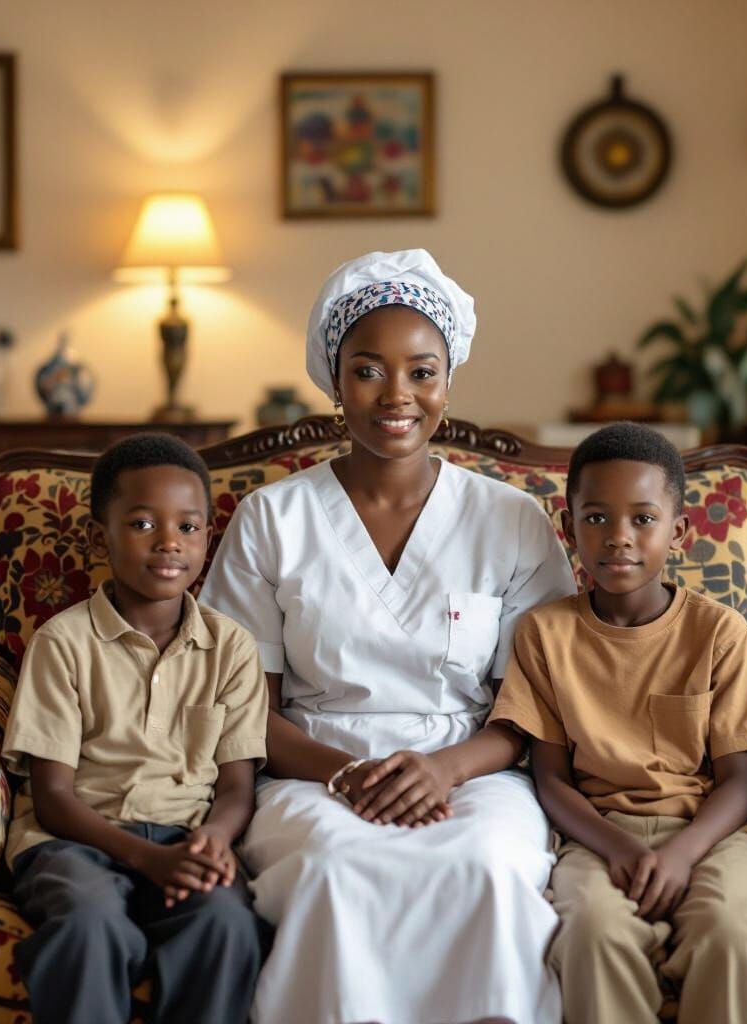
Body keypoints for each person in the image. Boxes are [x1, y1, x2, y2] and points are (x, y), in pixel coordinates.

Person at [199, 249, 577, 1024]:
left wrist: (443, 770)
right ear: (335, 383)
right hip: (310, 770)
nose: (396, 395)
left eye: (421, 371)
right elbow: (240, 710)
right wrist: (347, 776)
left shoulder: (512, 519)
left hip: (474, 772)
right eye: (368, 370)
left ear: (449, 380)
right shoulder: (273, 519)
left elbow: (533, 707)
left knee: (487, 867)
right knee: (333, 870)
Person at [490, 422, 747, 1024]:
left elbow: (738, 781)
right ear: (568, 526)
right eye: (596, 518)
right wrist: (619, 847)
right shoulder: (544, 634)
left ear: (678, 532)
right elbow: (550, 779)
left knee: (733, 935)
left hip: (712, 833)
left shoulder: (719, 633)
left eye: (643, 519)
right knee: (594, 936)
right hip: (596, 835)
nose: (618, 538)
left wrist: (682, 853)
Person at [2, 434, 269, 1024]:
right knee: (89, 922)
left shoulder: (232, 649)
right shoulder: (63, 643)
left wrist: (214, 842)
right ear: (102, 539)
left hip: (185, 836)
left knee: (226, 923)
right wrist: (146, 860)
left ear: (207, 538)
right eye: (144, 524)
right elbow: (52, 798)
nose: (170, 542)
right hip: (77, 841)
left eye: (189, 527)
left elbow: (236, 789)